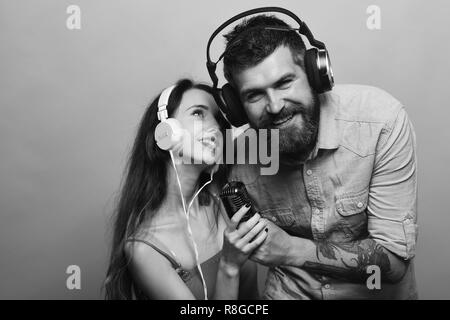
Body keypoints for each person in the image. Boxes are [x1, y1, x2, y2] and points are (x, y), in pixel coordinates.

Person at [209, 9, 418, 299]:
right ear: (235, 106)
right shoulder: (240, 156)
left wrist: (292, 250)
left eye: (284, 83)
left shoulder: (381, 121)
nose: (274, 106)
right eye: (254, 95)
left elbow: (393, 264)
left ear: (315, 74)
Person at [104, 79, 268, 300]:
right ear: (166, 132)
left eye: (219, 120)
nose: (215, 127)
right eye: (198, 114)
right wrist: (229, 266)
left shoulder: (225, 200)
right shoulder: (144, 250)